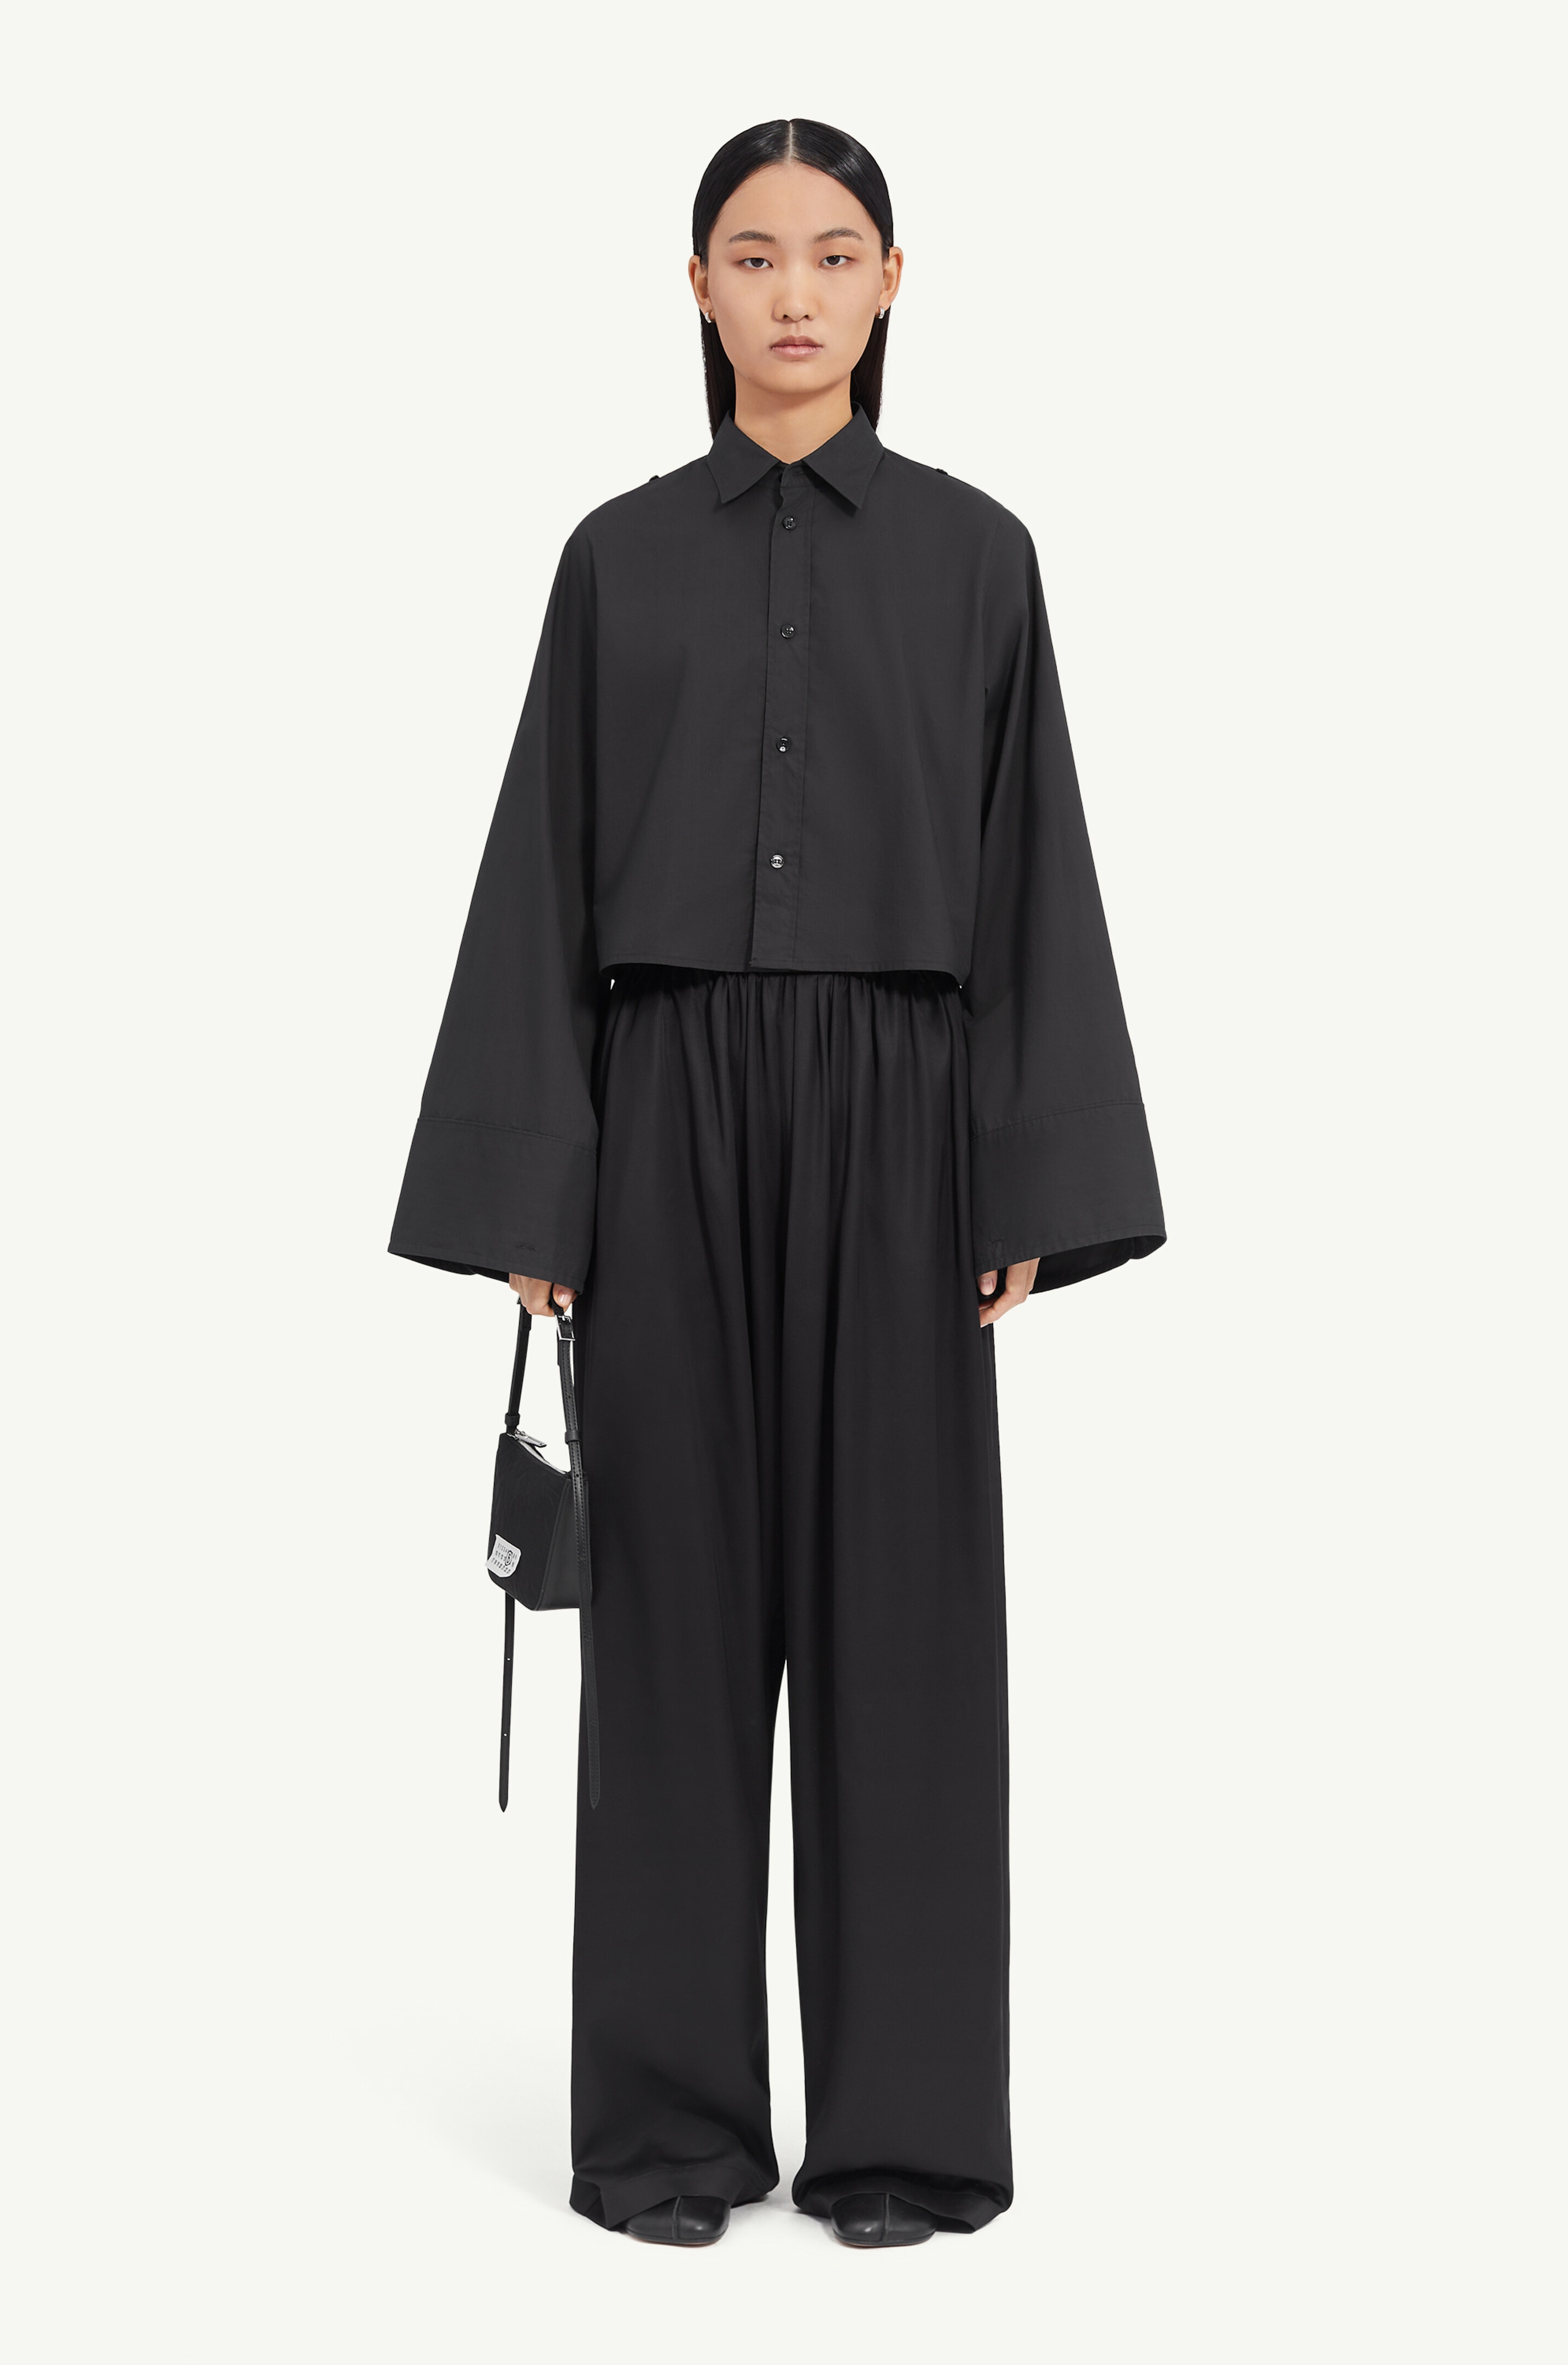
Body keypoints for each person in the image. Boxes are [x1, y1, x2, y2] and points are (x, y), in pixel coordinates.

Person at [389, 116, 1164, 2250]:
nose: (796, 291)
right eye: (754, 253)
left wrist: (1023, 1171)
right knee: (670, 1636)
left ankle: (906, 2132)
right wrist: (541, 1199)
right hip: (663, 1112)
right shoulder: (615, 562)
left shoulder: (979, 558)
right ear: (699, 289)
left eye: (835, 253)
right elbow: (546, 866)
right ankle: (667, 2132)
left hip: (907, 1120)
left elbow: (1031, 867)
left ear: (893, 284)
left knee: (907, 1629)